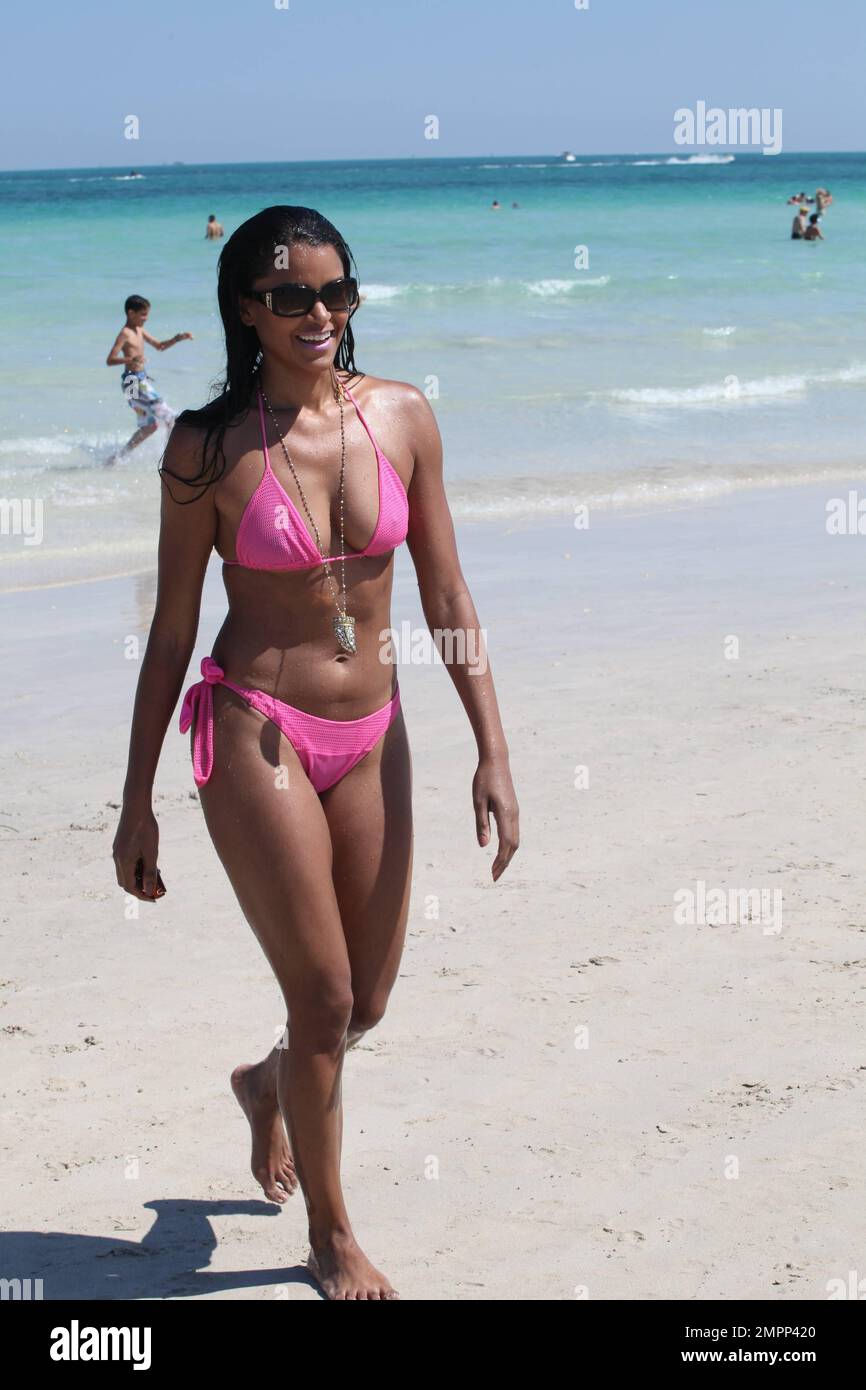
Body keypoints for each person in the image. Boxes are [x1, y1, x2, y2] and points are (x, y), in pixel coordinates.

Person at [111, 205, 520, 1301]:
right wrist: (135, 800)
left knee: (366, 1002)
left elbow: (444, 591)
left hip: (373, 728)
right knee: (327, 999)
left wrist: (493, 746)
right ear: (246, 307)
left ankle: (264, 1085)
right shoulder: (204, 448)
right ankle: (332, 1238)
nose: (320, 314)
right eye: (291, 295)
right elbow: (170, 631)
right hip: (256, 726)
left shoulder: (402, 416)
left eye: (337, 292)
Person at [105, 296, 193, 463]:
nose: (146, 318)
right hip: (132, 382)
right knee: (171, 418)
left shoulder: (139, 330)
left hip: (137, 382)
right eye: (143, 314)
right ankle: (173, 458)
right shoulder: (125, 333)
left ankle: (117, 457)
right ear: (131, 313)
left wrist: (178, 338)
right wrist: (130, 360)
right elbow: (110, 360)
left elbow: (159, 346)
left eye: (147, 314)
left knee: (149, 427)